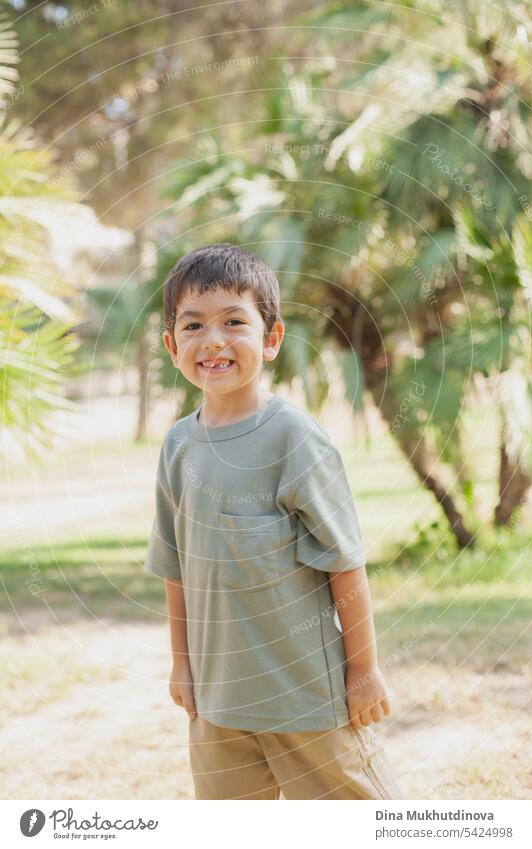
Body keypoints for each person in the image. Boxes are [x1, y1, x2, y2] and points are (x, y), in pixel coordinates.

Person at [144, 243, 404, 800]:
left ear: (271, 338)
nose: (212, 340)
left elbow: (344, 563)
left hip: (309, 701)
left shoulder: (294, 439)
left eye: (234, 321)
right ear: (172, 346)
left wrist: (363, 672)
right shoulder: (178, 446)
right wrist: (182, 668)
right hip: (218, 707)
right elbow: (176, 568)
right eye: (193, 325)